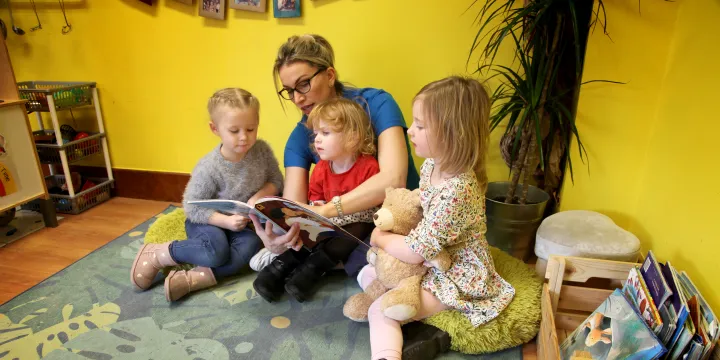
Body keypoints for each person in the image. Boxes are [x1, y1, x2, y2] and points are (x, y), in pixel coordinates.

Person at [247, 34, 447, 359]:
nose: (297, 98)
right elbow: (294, 207)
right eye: (288, 91)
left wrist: (328, 209)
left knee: (379, 263)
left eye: (303, 84)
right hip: (346, 230)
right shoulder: (301, 136)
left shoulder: (377, 103)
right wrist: (277, 234)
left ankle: (407, 316)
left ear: (329, 74)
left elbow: (392, 178)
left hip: (398, 217)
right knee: (355, 262)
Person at [362, 76, 516, 360]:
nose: (410, 131)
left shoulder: (458, 190)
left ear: (452, 133)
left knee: (379, 309)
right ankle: (422, 327)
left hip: (456, 272)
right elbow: (423, 198)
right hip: (436, 255)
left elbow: (415, 253)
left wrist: (380, 237)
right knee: (368, 274)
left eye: (420, 126)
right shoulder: (432, 164)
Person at [130, 88, 283, 302]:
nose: (244, 137)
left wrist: (259, 195)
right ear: (215, 129)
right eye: (234, 131)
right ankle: (159, 253)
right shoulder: (209, 167)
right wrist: (225, 222)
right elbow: (192, 208)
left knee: (250, 246)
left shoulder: (262, 151)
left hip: (242, 223)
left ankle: (195, 278)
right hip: (208, 221)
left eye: (251, 129)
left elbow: (276, 180)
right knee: (216, 251)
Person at [253, 97, 381, 303]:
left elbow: (373, 202)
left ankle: (312, 270)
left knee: (351, 234)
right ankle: (279, 267)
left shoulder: (368, 166)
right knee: (309, 233)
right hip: (328, 221)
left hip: (356, 222)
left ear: (352, 137)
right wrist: (317, 206)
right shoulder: (322, 168)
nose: (317, 140)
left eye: (326, 133)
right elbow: (315, 196)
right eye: (316, 134)